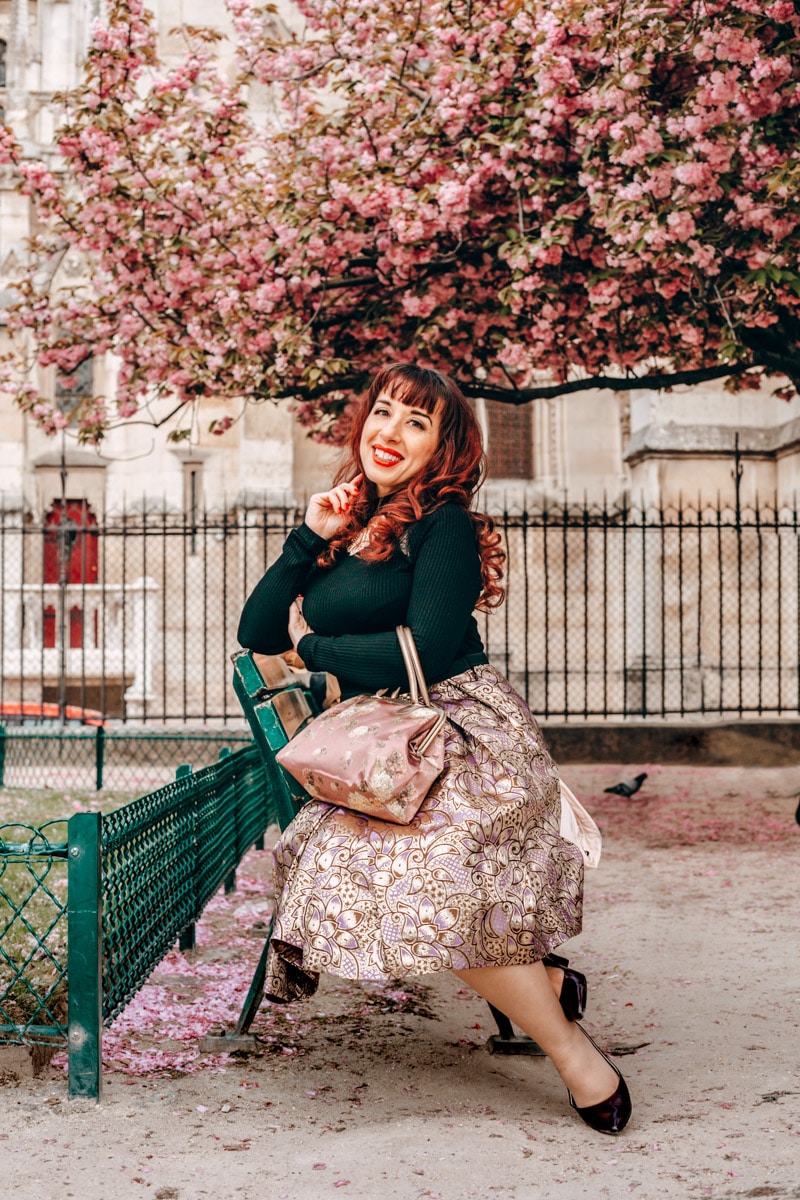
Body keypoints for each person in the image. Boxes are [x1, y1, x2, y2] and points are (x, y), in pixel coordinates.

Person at [237, 364, 631, 1134]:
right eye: (383, 413)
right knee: (379, 875)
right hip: (381, 747)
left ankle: (574, 1053)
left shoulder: (441, 521)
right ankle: (545, 985)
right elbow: (256, 636)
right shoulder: (348, 524)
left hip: (459, 733)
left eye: (416, 423)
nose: (390, 432)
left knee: (430, 883)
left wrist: (314, 647)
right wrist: (307, 538)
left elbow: (429, 646)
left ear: (443, 447)